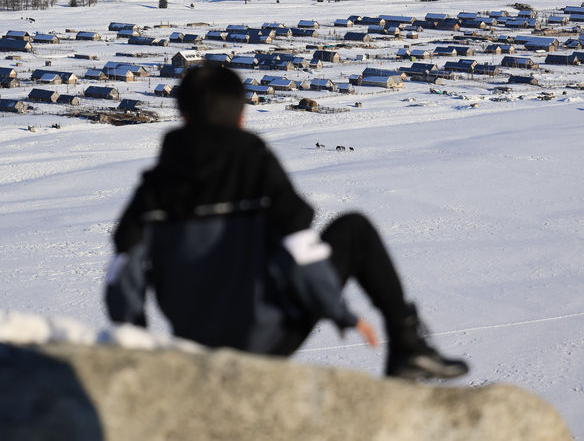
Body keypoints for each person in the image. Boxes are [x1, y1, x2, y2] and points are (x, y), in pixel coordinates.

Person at [105, 64, 469, 380]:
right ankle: (407, 345)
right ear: (241, 115)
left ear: (183, 115)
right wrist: (339, 313)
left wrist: (139, 347)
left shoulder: (154, 186)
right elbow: (302, 251)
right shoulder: (255, 164)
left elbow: (124, 274)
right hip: (265, 341)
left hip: (195, 345)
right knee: (354, 230)